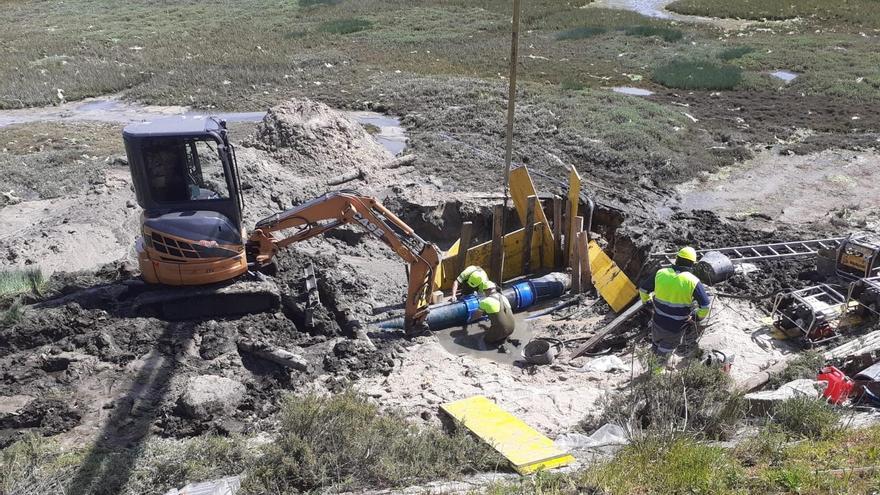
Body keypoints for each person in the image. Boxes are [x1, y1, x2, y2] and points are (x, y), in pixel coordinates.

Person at [638, 246, 712, 359]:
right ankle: (655, 373)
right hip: (675, 328)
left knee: (656, 346)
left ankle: (651, 367)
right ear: (692, 264)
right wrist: (695, 317)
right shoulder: (693, 281)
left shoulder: (661, 273)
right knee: (664, 354)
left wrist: (648, 304)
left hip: (657, 322)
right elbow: (705, 306)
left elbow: (643, 290)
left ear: (676, 259)